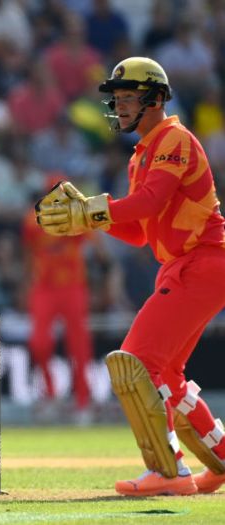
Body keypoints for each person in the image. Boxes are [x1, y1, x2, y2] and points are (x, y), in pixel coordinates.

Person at [35, 57, 225, 496]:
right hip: (194, 264)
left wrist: (92, 210)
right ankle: (219, 456)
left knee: (138, 362)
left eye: (127, 98)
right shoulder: (144, 152)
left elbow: (149, 201)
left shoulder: (173, 139)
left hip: (202, 261)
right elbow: (141, 231)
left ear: (155, 99)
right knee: (169, 374)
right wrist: (91, 218)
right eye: (116, 100)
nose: (118, 107)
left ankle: (170, 470)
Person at [21, 191, 95, 425]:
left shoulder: (76, 216)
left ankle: (83, 402)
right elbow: (27, 252)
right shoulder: (32, 220)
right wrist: (27, 284)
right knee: (39, 342)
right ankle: (50, 395)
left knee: (79, 345)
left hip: (73, 286)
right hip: (44, 287)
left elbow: (94, 243)